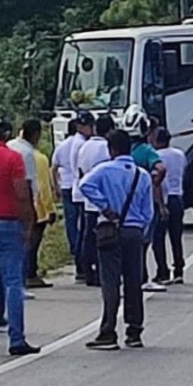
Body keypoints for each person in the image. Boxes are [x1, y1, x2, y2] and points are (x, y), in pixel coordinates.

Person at [80, 129, 154, 351]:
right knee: (134, 281)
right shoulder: (143, 175)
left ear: (111, 149)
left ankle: (108, 331)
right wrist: (141, 231)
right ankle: (134, 331)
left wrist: (105, 206)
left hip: (110, 229)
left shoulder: (104, 169)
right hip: (134, 231)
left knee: (110, 282)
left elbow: (85, 185)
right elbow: (148, 212)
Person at [0, 119, 40, 356]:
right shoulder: (12, 158)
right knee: (13, 281)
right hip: (8, 222)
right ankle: (16, 339)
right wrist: (28, 225)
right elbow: (22, 195)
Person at [123, 106, 168, 292]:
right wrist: (155, 182)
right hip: (145, 201)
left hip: (125, 201)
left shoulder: (125, 150)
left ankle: (130, 277)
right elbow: (161, 168)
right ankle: (142, 277)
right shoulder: (147, 151)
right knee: (144, 241)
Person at [75, 114, 116, 287]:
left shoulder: (85, 147)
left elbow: (81, 171)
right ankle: (101, 271)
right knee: (105, 238)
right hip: (104, 201)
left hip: (88, 199)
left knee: (87, 238)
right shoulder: (107, 148)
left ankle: (87, 272)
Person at [8, 120, 41, 298]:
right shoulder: (27, 153)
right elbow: (27, 185)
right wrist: (31, 212)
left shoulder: (10, 145)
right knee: (19, 250)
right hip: (17, 208)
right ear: (36, 134)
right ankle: (18, 286)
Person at [153, 129, 186, 285]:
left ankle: (162, 270)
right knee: (176, 236)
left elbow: (156, 182)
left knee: (158, 237)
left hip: (164, 198)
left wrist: (160, 205)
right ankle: (179, 269)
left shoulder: (156, 157)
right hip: (177, 196)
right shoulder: (179, 154)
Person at [69, 110, 95, 283]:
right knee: (85, 232)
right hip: (81, 192)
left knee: (83, 230)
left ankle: (83, 265)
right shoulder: (80, 144)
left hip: (80, 190)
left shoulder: (81, 141)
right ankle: (82, 266)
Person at [51, 119, 80, 274]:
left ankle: (74, 248)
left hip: (66, 185)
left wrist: (56, 186)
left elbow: (53, 168)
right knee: (82, 220)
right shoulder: (82, 144)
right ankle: (81, 249)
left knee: (71, 220)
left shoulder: (61, 146)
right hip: (78, 187)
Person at [27, 143, 57, 289]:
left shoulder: (14, 152)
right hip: (37, 207)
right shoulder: (40, 159)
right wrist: (50, 209)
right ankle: (30, 274)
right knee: (33, 243)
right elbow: (44, 187)